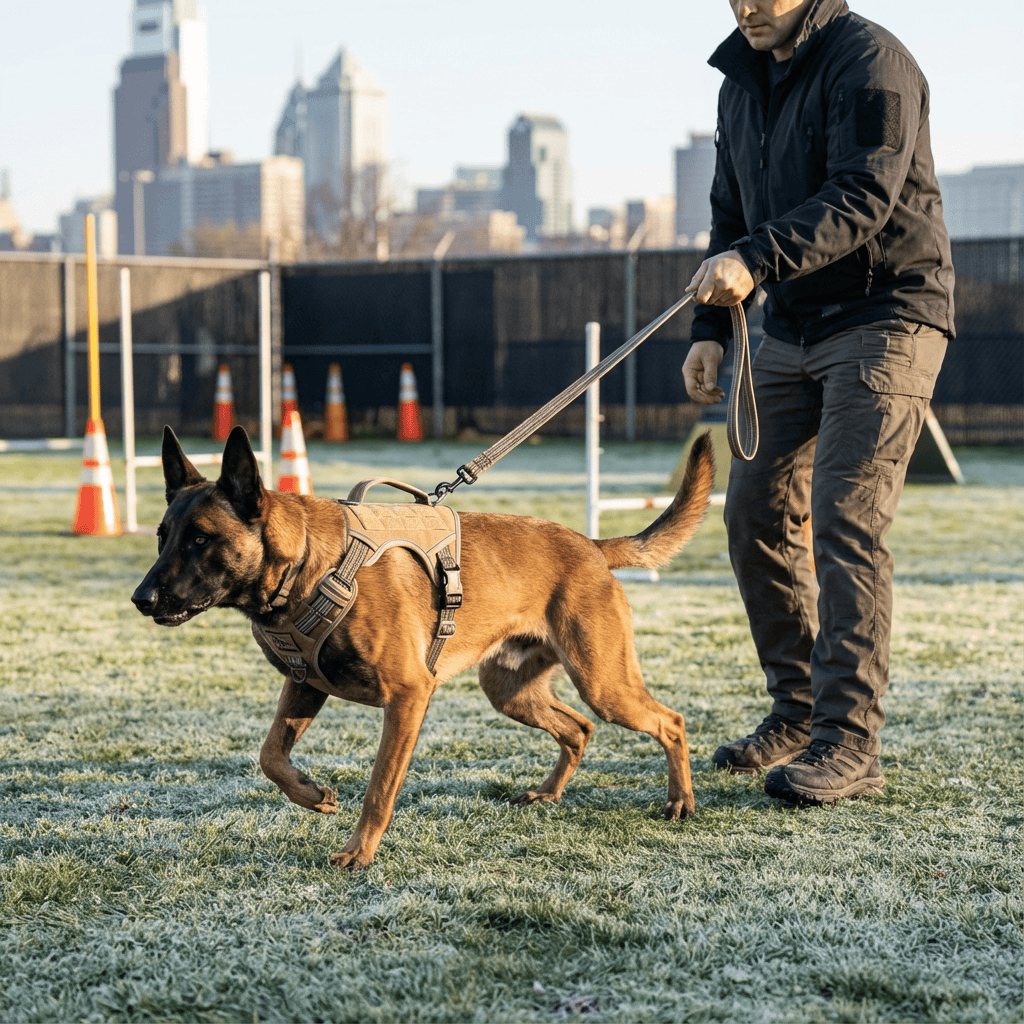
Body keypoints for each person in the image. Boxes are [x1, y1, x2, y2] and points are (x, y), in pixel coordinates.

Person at [682, 0, 955, 806]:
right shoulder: (739, 82)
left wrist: (757, 260)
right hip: (791, 326)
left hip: (889, 313)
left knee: (847, 519)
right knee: (753, 513)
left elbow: (865, 193)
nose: (748, 4)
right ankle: (797, 712)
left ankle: (849, 743)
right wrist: (710, 330)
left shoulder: (872, 60)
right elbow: (730, 214)